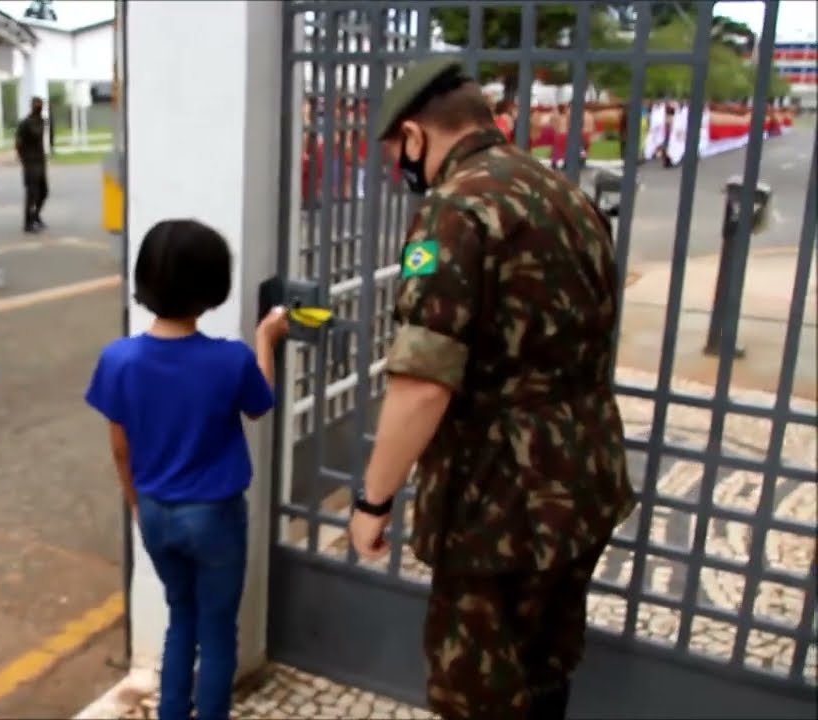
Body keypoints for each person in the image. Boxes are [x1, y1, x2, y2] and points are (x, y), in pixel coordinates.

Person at [350, 56, 635, 720]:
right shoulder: (563, 192)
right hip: (584, 479)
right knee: (546, 668)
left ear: (415, 136)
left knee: (477, 693)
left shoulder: (456, 208)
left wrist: (373, 500)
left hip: (500, 502)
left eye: (397, 154)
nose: (401, 170)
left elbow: (422, 382)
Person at [84, 219, 290, 720]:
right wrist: (266, 339)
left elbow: (120, 449)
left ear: (145, 280)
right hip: (215, 515)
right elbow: (260, 405)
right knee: (217, 633)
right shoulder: (230, 360)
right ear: (213, 287)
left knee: (181, 618)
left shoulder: (118, 359)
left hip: (155, 510)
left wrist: (137, 505)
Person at [15, 96, 49, 233]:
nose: (39, 108)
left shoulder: (42, 121)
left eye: (41, 105)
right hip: (30, 163)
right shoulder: (25, 123)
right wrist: (23, 160)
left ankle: (35, 216)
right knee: (31, 194)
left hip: (40, 161)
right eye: (37, 105)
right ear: (32, 106)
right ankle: (27, 223)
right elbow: (18, 143)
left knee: (44, 192)